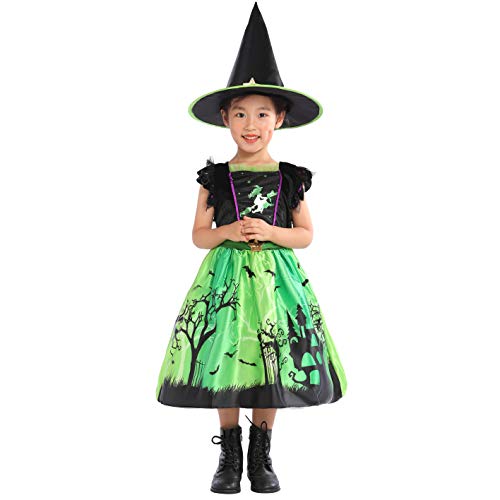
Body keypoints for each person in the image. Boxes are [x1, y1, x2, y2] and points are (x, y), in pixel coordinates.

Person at [155, 2, 347, 494]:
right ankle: (229, 451)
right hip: (226, 281)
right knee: (227, 352)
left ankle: (262, 453)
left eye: (262, 113)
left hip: (276, 283)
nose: (250, 123)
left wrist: (271, 232)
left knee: (270, 356)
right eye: (240, 113)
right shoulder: (214, 177)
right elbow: (199, 235)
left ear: (279, 118)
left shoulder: (290, 178)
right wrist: (228, 231)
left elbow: (306, 234)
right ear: (225, 118)